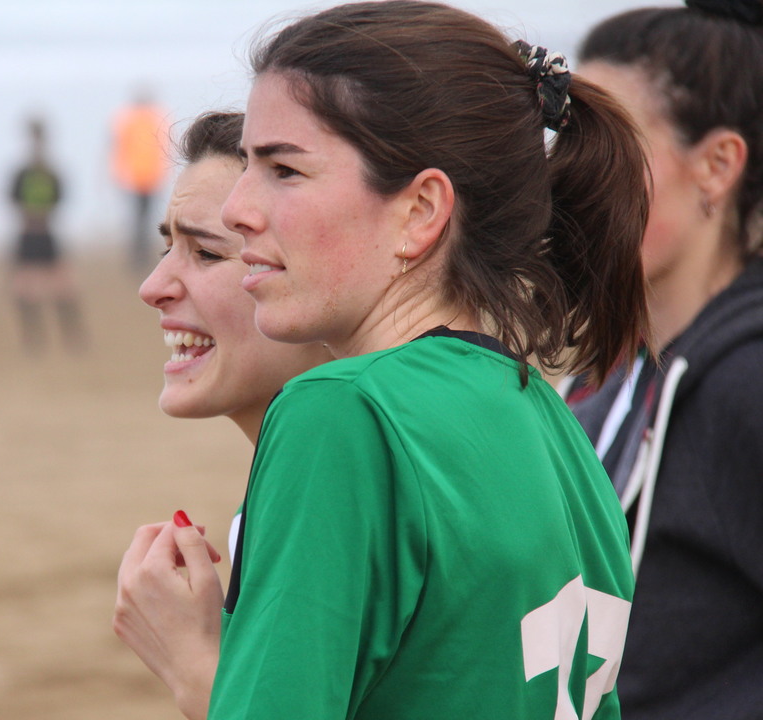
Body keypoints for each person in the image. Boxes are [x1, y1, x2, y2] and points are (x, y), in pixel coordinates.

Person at [116, 2, 654, 719]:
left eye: (284, 169)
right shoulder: (555, 425)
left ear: (420, 211)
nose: (240, 209)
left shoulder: (342, 412)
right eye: (249, 167)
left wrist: (193, 669)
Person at [560, 1, 763, 717]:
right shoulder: (600, 381)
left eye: (611, 146)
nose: (571, 177)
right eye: (568, 141)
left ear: (717, 166)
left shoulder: (745, 382)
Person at [114, 111, 331, 711]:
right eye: (167, 248)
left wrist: (193, 669)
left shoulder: (336, 473)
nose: (152, 286)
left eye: (207, 253)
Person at [8, 116, 86, 353]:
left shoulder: (51, 172)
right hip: (27, 235)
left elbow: (60, 199)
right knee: (23, 290)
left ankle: (73, 337)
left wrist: (42, 216)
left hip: (46, 234)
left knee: (64, 288)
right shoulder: (22, 173)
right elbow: (12, 199)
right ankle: (33, 338)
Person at [111, 89, 171, 273]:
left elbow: (119, 148)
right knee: (142, 220)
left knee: (139, 221)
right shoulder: (155, 119)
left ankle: (138, 256)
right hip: (145, 179)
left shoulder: (128, 119)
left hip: (139, 179)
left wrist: (120, 175)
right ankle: (140, 256)